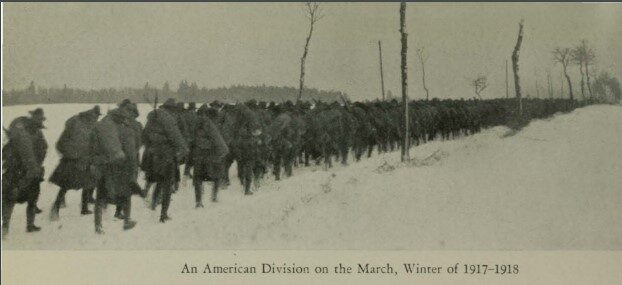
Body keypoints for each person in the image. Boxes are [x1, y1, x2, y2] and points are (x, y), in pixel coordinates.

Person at [90, 100, 141, 233]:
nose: (130, 113)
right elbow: (131, 151)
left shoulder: (105, 124)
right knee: (126, 192)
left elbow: (94, 144)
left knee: (101, 195)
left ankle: (98, 225)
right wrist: (133, 167)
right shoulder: (125, 127)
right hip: (120, 165)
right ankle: (126, 220)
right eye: (129, 111)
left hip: (106, 163)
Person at [49, 106, 101, 220]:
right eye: (96, 116)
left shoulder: (91, 125)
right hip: (73, 160)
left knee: (87, 184)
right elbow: (62, 142)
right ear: (92, 115)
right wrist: (69, 154)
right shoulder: (78, 123)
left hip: (85, 160)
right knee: (66, 185)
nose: (97, 119)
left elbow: (93, 144)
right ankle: (56, 207)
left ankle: (84, 208)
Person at [2, 108, 48, 238]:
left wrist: (37, 164)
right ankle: (4, 228)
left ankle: (30, 225)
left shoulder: (36, 131)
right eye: (38, 119)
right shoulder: (21, 130)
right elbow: (26, 152)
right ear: (33, 118)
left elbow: (43, 147)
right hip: (17, 170)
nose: (39, 122)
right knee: (10, 198)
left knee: (32, 198)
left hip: (31, 171)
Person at [142, 98, 189, 222]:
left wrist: (151, 147)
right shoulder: (168, 119)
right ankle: (163, 214)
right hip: (166, 156)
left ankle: (153, 203)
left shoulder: (152, 118)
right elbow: (176, 137)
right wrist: (184, 150)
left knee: (158, 180)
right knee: (167, 184)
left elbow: (144, 136)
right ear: (171, 109)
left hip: (152, 156)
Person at [192, 105, 229, 207]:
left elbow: (191, 138)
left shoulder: (196, 123)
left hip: (198, 154)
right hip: (211, 155)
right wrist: (224, 151)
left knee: (198, 177)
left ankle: (198, 201)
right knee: (216, 175)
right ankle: (214, 196)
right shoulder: (211, 124)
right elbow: (217, 140)